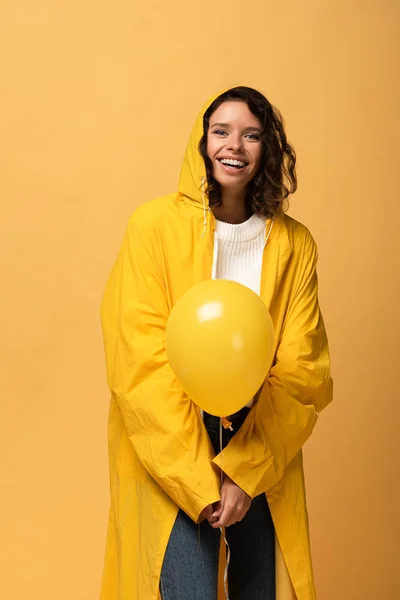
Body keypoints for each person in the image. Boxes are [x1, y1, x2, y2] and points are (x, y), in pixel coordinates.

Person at [100, 86, 333, 600]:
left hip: (262, 434)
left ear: (267, 149)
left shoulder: (294, 244)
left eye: (252, 134)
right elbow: (138, 362)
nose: (235, 146)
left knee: (264, 590)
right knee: (185, 590)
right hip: (171, 442)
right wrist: (198, 480)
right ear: (201, 142)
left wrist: (245, 473)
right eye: (221, 131)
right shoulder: (153, 227)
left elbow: (302, 369)